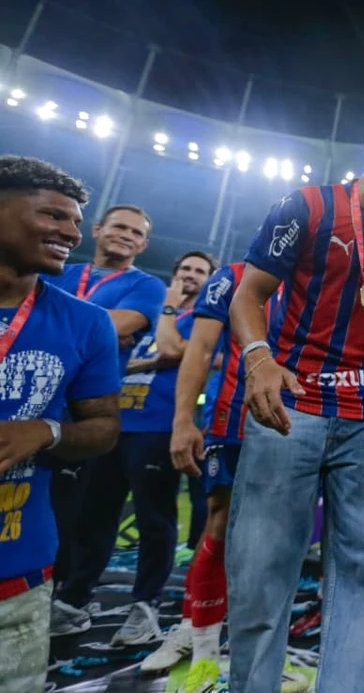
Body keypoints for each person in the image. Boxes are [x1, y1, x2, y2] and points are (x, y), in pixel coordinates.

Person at [226, 100, 364, 692]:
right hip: (291, 408)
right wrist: (259, 359)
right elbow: (247, 296)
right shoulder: (308, 207)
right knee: (262, 572)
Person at [140, 263, 306, 691]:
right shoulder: (232, 275)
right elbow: (199, 348)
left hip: (302, 423)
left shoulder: (327, 276)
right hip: (234, 421)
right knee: (219, 528)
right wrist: (182, 421)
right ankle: (204, 653)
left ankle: (265, 653)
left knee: (281, 542)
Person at [0, 156, 122, 693]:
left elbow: (103, 427)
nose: (71, 233)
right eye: (53, 216)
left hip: (19, 565)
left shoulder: (87, 322)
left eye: (75, 222)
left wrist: (45, 432)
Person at [55, 251, 214, 645]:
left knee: (153, 520)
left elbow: (173, 350)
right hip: (115, 424)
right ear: (174, 273)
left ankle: (145, 608)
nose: (191, 275)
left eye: (200, 272)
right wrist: (145, 359)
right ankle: (75, 600)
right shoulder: (146, 310)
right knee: (96, 516)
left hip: (158, 427)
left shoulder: (202, 318)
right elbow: (113, 352)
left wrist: (169, 312)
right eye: (185, 268)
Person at [45, 203, 166, 633]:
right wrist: (98, 325)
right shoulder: (55, 270)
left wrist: (52, 319)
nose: (127, 236)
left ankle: (71, 599)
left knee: (83, 513)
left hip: (87, 412)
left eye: (136, 232)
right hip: (32, 402)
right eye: (119, 228)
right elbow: (104, 327)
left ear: (144, 244)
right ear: (97, 230)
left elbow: (123, 324)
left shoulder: (147, 285)